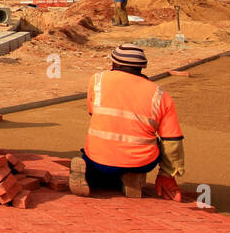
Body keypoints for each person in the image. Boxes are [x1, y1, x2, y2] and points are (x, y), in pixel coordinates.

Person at [70, 44, 185, 200]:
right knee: (159, 142)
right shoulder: (160, 94)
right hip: (141, 161)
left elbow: (93, 112)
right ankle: (132, 176)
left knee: (93, 160)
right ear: (142, 67)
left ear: (114, 63)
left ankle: (90, 176)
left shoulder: (97, 80)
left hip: (99, 157)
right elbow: (173, 141)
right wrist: (168, 174)